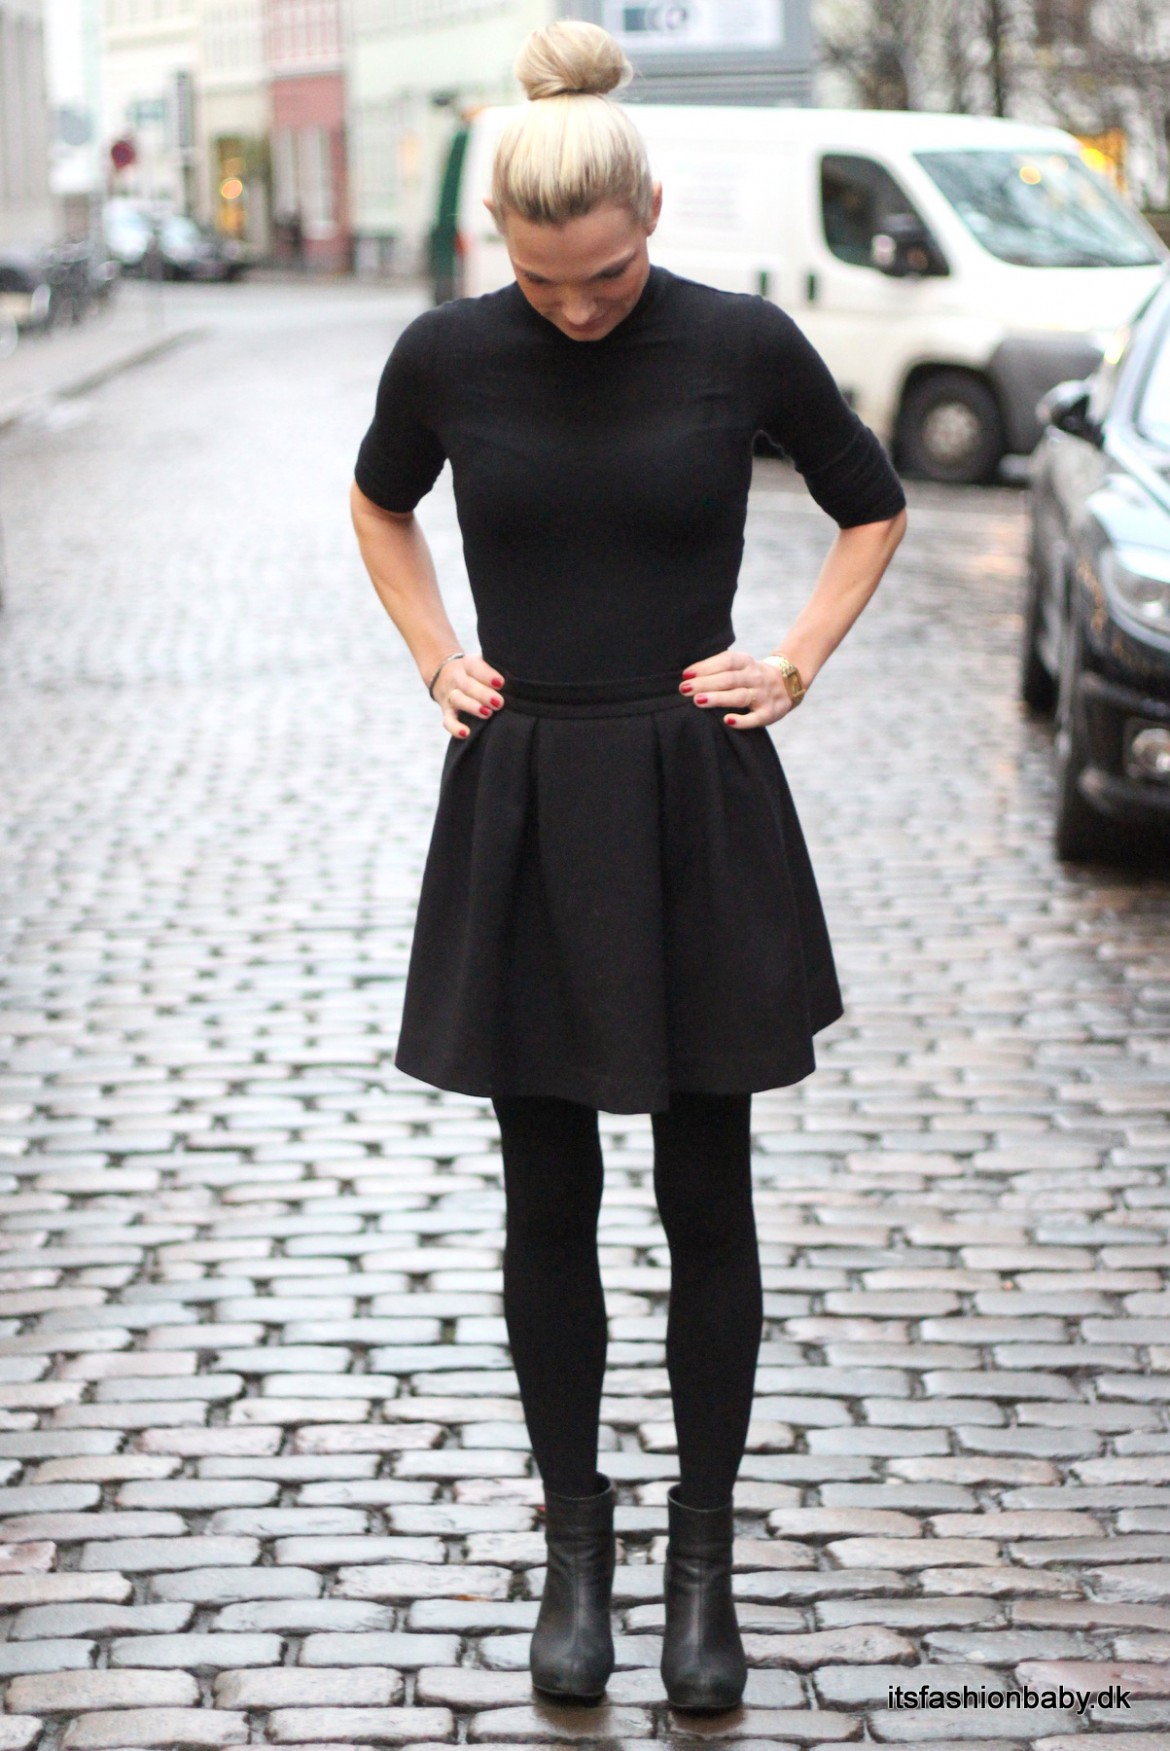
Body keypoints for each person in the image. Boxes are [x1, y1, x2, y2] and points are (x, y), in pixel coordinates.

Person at [351, 19, 907, 1714]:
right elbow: (379, 504)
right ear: (498, 242)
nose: (578, 308)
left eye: (601, 276)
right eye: (543, 281)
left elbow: (870, 501)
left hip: (689, 795)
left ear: (650, 212)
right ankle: (575, 1553)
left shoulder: (738, 342)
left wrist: (792, 659)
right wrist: (434, 652)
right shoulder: (448, 353)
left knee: (703, 1192)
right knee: (548, 1199)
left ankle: (701, 1565)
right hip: (523, 790)